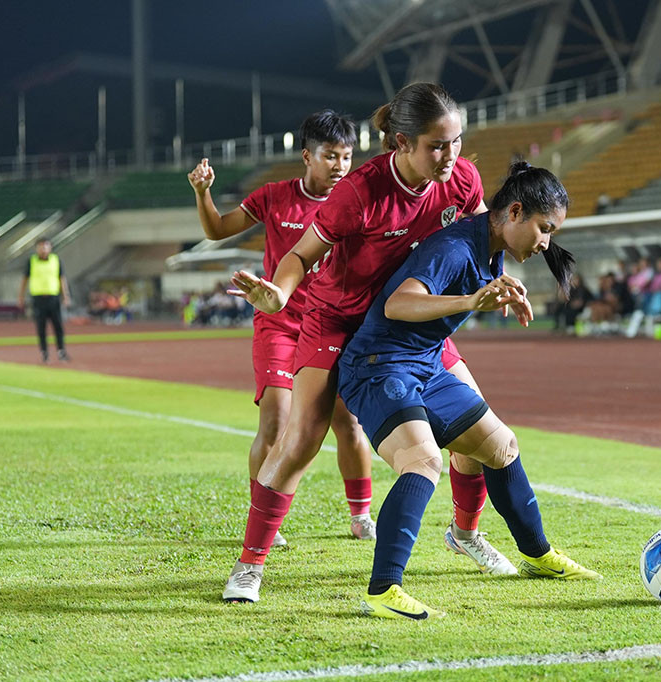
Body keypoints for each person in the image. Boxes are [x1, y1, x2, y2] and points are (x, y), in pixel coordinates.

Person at [222, 82, 520, 604]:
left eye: (455, 142)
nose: (450, 156)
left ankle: (466, 534)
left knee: (472, 417)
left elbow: (473, 242)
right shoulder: (359, 191)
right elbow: (299, 255)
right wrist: (279, 294)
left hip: (410, 327)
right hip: (338, 320)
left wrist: (491, 286)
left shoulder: (462, 180)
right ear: (401, 143)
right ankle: (250, 566)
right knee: (301, 439)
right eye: (436, 145)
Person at [339, 162, 600, 619]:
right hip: (378, 366)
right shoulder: (459, 247)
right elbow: (400, 302)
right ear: (515, 212)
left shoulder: (491, 247)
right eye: (544, 229)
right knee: (423, 461)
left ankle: (538, 555)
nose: (546, 243)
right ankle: (383, 589)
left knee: (501, 447)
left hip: (424, 364)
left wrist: (501, 291)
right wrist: (470, 301)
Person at [187, 111, 377, 549]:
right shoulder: (274, 196)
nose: (340, 166)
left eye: (347, 157)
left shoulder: (355, 201)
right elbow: (217, 229)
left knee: (347, 422)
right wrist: (203, 193)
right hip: (278, 323)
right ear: (307, 156)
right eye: (331, 156)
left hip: (332, 325)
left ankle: (361, 515)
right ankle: (266, 518)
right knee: (275, 421)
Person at [18, 238, 71, 363]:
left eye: (46, 246)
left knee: (58, 326)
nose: (43, 249)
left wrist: (66, 295)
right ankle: (44, 353)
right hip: (38, 299)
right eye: (41, 246)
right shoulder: (31, 261)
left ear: (50, 247)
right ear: (37, 248)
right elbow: (24, 280)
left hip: (53, 298)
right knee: (41, 327)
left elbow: (61, 279)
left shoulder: (55, 260)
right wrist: (20, 296)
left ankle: (61, 351)